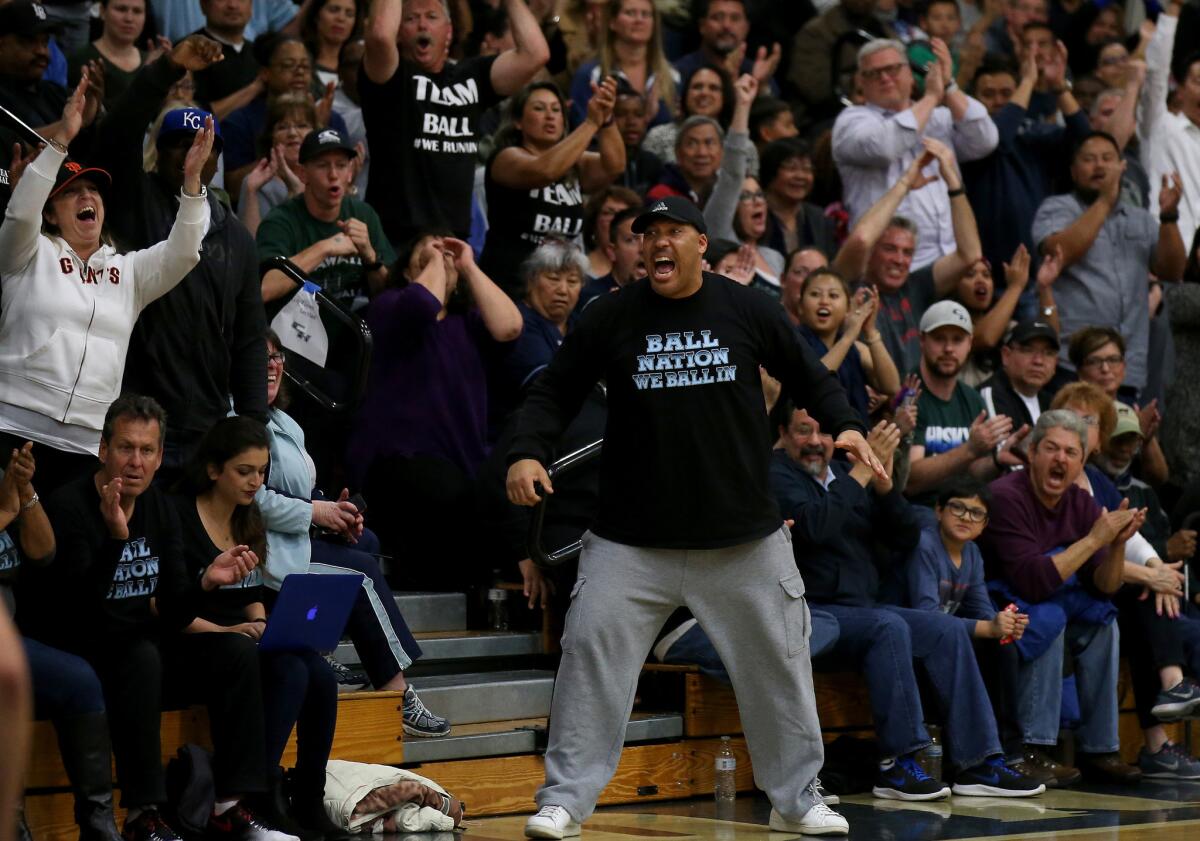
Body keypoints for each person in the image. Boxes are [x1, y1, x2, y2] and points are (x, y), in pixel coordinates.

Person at [508, 195, 894, 838]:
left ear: (700, 245)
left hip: (742, 538)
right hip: (630, 540)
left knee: (781, 663)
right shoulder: (610, 316)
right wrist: (526, 453)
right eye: (647, 234)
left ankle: (796, 797)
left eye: (672, 232)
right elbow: (552, 390)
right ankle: (567, 798)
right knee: (589, 658)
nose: (658, 243)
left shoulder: (745, 307)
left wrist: (849, 426)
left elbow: (808, 375)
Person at [32, 395, 297, 841]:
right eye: (126, 448)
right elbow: (76, 611)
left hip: (145, 644)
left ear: (159, 458)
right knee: (141, 655)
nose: (136, 462)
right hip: (88, 649)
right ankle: (142, 815)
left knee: (235, 650)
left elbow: (175, 609)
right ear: (103, 450)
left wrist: (206, 583)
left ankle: (230, 804)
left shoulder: (159, 508)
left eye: (147, 450)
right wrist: (117, 539)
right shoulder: (70, 506)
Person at [773, 408, 1044, 801]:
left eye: (824, 431)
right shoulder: (777, 474)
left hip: (861, 606)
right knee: (889, 627)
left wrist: (881, 482)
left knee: (949, 629)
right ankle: (895, 764)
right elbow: (813, 528)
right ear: (782, 433)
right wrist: (860, 475)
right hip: (812, 608)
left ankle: (977, 763)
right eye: (803, 430)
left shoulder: (843, 476)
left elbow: (904, 536)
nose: (816, 441)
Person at [0, 77, 214, 494]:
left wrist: (192, 185)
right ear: (51, 214)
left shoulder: (129, 272)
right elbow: (19, 213)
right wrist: (61, 140)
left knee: (60, 555)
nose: (89, 198)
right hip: (11, 427)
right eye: (73, 192)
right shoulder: (25, 252)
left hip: (84, 444)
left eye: (95, 191)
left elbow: (184, 251)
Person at [92, 39, 270, 485]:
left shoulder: (237, 238)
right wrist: (167, 69)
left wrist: (254, 429)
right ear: (159, 150)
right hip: (137, 425)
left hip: (209, 428)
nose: (189, 153)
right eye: (176, 143)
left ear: (215, 156)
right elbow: (120, 130)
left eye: (201, 144)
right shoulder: (134, 200)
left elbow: (249, 339)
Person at [258, 331, 449, 737]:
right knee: (360, 571)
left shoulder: (285, 422)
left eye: (275, 356)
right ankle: (396, 693)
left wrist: (335, 512)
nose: (270, 366)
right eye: (258, 358)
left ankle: (313, 645)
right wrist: (317, 511)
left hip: (294, 532)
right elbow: (252, 501)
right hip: (260, 548)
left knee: (366, 542)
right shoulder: (237, 423)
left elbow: (299, 490)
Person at [172, 416, 347, 840]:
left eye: (262, 472)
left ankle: (308, 793)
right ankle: (256, 793)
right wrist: (226, 631)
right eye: (244, 471)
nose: (255, 482)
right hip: (195, 637)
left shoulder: (247, 519)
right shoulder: (180, 515)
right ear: (215, 469)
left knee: (320, 673)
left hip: (239, 634)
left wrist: (260, 620)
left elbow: (250, 591)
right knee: (289, 671)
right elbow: (171, 607)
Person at [978, 410, 1144, 787]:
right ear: (1032, 452)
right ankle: (1032, 749)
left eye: (1071, 453)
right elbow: (1032, 582)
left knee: (1105, 622)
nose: (1061, 459)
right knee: (1049, 616)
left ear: (1081, 463)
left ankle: (1101, 748)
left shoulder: (1081, 503)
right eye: (1051, 448)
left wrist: (1116, 545)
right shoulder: (1006, 496)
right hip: (1000, 608)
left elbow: (1106, 585)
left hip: (1052, 599)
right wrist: (1094, 539)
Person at [349, 234, 522, 588]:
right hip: (397, 461)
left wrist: (469, 265)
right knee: (443, 495)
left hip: (460, 462)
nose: (441, 263)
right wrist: (433, 261)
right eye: (427, 259)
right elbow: (421, 306)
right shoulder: (389, 307)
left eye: (447, 263)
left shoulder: (468, 322)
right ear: (410, 272)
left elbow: (510, 327)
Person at [1, 442, 125, 841]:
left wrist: (24, 490)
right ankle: (12, 822)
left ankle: (98, 824)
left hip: (10, 638)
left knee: (80, 680)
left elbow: (44, 552)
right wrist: (4, 511)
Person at [361, 0, 549, 246]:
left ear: (448, 30)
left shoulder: (471, 75)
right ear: (398, 30)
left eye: (431, 16)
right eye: (411, 18)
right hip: (393, 237)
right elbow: (379, 35)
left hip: (452, 238)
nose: (422, 24)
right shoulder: (390, 75)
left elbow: (535, 54)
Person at [1032, 132, 1187, 398]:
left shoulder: (1140, 218)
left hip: (1127, 368)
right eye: (1089, 159)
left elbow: (1172, 271)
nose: (1099, 166)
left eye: (1107, 159)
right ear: (1073, 170)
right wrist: (1105, 200)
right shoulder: (1056, 209)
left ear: (1122, 167)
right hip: (1073, 365)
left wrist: (1169, 217)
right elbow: (1061, 253)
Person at [833, 37, 998, 269]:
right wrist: (931, 97)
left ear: (910, 74)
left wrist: (948, 84)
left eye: (893, 68)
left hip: (951, 261)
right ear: (861, 82)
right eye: (874, 73)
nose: (885, 77)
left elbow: (985, 140)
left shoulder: (938, 117)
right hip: (889, 268)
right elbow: (885, 146)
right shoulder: (852, 121)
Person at [831, 138, 983, 379]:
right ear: (871, 253)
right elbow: (861, 238)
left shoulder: (915, 287)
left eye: (907, 252)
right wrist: (905, 183)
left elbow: (970, 254)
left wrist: (953, 183)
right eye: (890, 249)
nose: (899, 260)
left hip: (912, 408)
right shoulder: (846, 286)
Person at [481, 78, 624, 297]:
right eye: (539, 108)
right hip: (509, 287)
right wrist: (590, 123)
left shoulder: (574, 164)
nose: (550, 116)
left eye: (556, 110)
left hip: (559, 288)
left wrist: (606, 119)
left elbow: (614, 165)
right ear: (518, 121)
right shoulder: (506, 157)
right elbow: (544, 171)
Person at [962, 47, 1090, 289]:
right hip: (981, 276)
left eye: (1007, 94)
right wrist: (1028, 81)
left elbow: (1086, 141)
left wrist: (1059, 88)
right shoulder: (966, 140)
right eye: (989, 94)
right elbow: (996, 139)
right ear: (973, 101)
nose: (1000, 101)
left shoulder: (1032, 134)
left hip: (1035, 274)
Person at [257, 127, 395, 310]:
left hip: (350, 332)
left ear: (350, 173)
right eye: (322, 165)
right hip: (290, 334)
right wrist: (324, 248)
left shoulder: (363, 215)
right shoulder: (280, 222)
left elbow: (390, 299)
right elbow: (265, 289)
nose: (333, 175)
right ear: (303, 173)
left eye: (341, 165)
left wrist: (371, 260)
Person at [905, 301, 1028, 502]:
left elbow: (972, 473)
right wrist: (969, 450)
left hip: (962, 508)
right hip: (918, 510)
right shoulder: (909, 394)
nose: (948, 349)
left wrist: (997, 461)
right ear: (922, 340)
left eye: (957, 340)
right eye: (939, 339)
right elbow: (910, 481)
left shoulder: (973, 399)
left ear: (970, 343)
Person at [220, 33, 351, 201]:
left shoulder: (330, 118)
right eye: (289, 66)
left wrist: (318, 129)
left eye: (305, 66)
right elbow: (234, 187)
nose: (299, 72)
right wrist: (279, 153)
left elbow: (345, 178)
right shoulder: (239, 121)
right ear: (265, 73)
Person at [490, 241, 589, 435]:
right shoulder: (519, 322)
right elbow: (547, 386)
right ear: (531, 281)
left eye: (572, 281)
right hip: (516, 435)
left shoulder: (580, 323)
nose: (563, 290)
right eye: (553, 279)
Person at [703, 74, 784, 289]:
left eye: (759, 195)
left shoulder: (775, 257)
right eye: (745, 197)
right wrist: (743, 105)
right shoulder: (721, 236)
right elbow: (731, 176)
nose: (757, 202)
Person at [1068, 326, 1170, 488]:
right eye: (1094, 361)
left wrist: (1146, 439)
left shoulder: (1132, 408)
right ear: (1080, 371)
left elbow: (1160, 478)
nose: (1106, 369)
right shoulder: (1070, 409)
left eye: (1113, 359)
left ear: (1124, 366)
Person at [796, 268, 900, 425]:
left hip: (854, 440)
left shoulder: (856, 348)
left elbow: (891, 386)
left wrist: (870, 331)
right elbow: (814, 382)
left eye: (833, 295)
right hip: (812, 440)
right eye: (815, 294)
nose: (824, 301)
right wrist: (850, 334)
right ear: (800, 306)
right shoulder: (791, 342)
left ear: (847, 307)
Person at [0, 0, 103, 144]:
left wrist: (95, 110)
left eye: (45, 42)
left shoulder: (56, 93)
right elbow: (10, 147)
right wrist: (71, 124)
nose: (42, 51)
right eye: (30, 41)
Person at [568, 0, 676, 130]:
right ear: (612, 22)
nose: (639, 20)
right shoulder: (589, 74)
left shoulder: (673, 76)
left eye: (646, 14)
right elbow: (581, 130)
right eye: (630, 13)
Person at [788, 0, 896, 127]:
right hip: (827, 118)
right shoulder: (816, 32)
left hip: (886, 110)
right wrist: (859, 82)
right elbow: (816, 89)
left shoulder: (882, 30)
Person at [237, 92, 317, 237]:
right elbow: (253, 245)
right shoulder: (257, 184)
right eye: (282, 127)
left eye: (302, 125)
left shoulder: (326, 177)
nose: (292, 133)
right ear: (271, 138)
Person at [672, 0, 780, 95]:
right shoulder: (680, 71)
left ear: (747, 27)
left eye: (735, 18)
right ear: (702, 26)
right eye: (718, 17)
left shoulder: (756, 72)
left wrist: (760, 87)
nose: (726, 25)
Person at [67, 0, 158, 110]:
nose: (129, 18)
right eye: (121, 9)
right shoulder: (79, 60)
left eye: (137, 11)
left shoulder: (152, 61)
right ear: (102, 11)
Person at [759, 138, 836, 261]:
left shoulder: (819, 218)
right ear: (770, 171)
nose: (800, 176)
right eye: (791, 168)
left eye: (807, 169)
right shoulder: (756, 214)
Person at [978, 320, 1059, 430]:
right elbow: (1002, 446)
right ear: (1006, 355)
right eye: (1028, 350)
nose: (1038, 361)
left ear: (1056, 362)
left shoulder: (1054, 402)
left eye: (1048, 353)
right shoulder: (989, 395)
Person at [576, 204, 646, 310]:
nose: (643, 249)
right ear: (612, 252)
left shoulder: (669, 296)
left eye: (649, 238)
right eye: (631, 240)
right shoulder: (590, 298)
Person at [645, 115, 723, 205]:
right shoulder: (661, 197)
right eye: (692, 144)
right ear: (678, 152)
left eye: (709, 143)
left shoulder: (731, 193)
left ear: (722, 151)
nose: (702, 153)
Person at [580, 185, 640, 278]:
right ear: (594, 221)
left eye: (623, 214)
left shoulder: (644, 272)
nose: (615, 219)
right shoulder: (578, 268)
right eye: (608, 213)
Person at [612, 86, 662, 195]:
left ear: (646, 120)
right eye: (621, 114)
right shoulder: (596, 160)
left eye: (638, 115)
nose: (631, 122)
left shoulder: (653, 164)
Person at [300, 0, 362, 87]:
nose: (341, 18)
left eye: (349, 14)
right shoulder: (300, 60)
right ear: (316, 16)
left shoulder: (359, 64)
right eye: (333, 10)